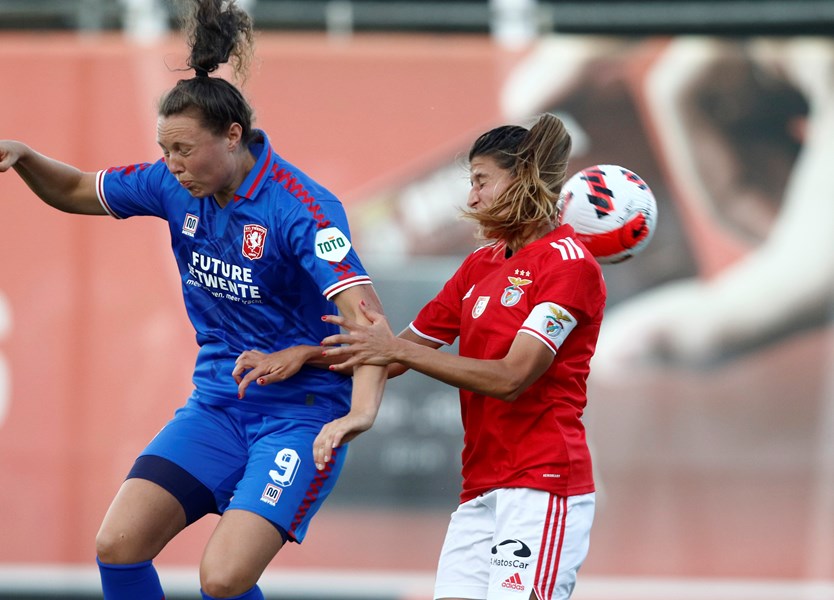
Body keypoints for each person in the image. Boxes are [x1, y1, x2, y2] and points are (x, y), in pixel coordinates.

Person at [0, 1, 387, 598]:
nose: (171, 165)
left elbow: (364, 312)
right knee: (118, 546)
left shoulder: (301, 209)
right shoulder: (171, 184)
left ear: (234, 137)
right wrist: (25, 157)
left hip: (300, 416)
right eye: (164, 149)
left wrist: (360, 413)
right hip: (218, 404)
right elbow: (77, 188)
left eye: (183, 149)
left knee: (223, 579)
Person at [317, 114, 606, 600]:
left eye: (481, 181)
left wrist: (393, 348)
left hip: (542, 487)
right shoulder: (479, 265)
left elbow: (512, 377)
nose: (471, 198)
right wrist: (296, 357)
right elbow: (391, 356)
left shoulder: (568, 266)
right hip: (479, 487)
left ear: (524, 178)